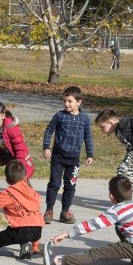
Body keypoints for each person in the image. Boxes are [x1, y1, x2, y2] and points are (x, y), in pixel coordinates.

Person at [43, 176, 133, 265]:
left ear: (111, 196)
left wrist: (66, 234)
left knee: (94, 254)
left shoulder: (117, 210)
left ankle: (56, 261)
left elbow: (93, 225)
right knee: (120, 226)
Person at [42, 86, 94, 225]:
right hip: (58, 157)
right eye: (64, 101)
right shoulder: (59, 116)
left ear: (79, 102)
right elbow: (49, 131)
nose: (66, 104)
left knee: (70, 185)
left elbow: (88, 137)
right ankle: (49, 210)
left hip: (74, 159)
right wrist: (46, 147)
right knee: (54, 184)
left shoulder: (85, 119)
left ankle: (65, 211)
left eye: (70, 101)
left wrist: (90, 154)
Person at [0, 101, 35, 200]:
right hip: (2, 153)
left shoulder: (11, 127)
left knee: (19, 174)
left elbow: (19, 146)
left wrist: (19, 163)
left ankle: (31, 194)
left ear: (3, 116)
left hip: (15, 154)